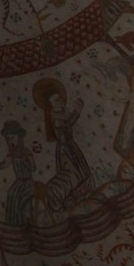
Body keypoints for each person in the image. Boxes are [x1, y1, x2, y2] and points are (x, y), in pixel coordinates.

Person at [32, 77, 93, 214]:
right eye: (56, 100)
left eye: (59, 98)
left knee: (82, 171)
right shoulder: (54, 116)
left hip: (72, 147)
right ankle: (62, 198)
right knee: (72, 173)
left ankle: (79, 196)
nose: (59, 101)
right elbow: (67, 123)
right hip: (65, 150)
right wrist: (77, 111)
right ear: (50, 104)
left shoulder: (62, 112)